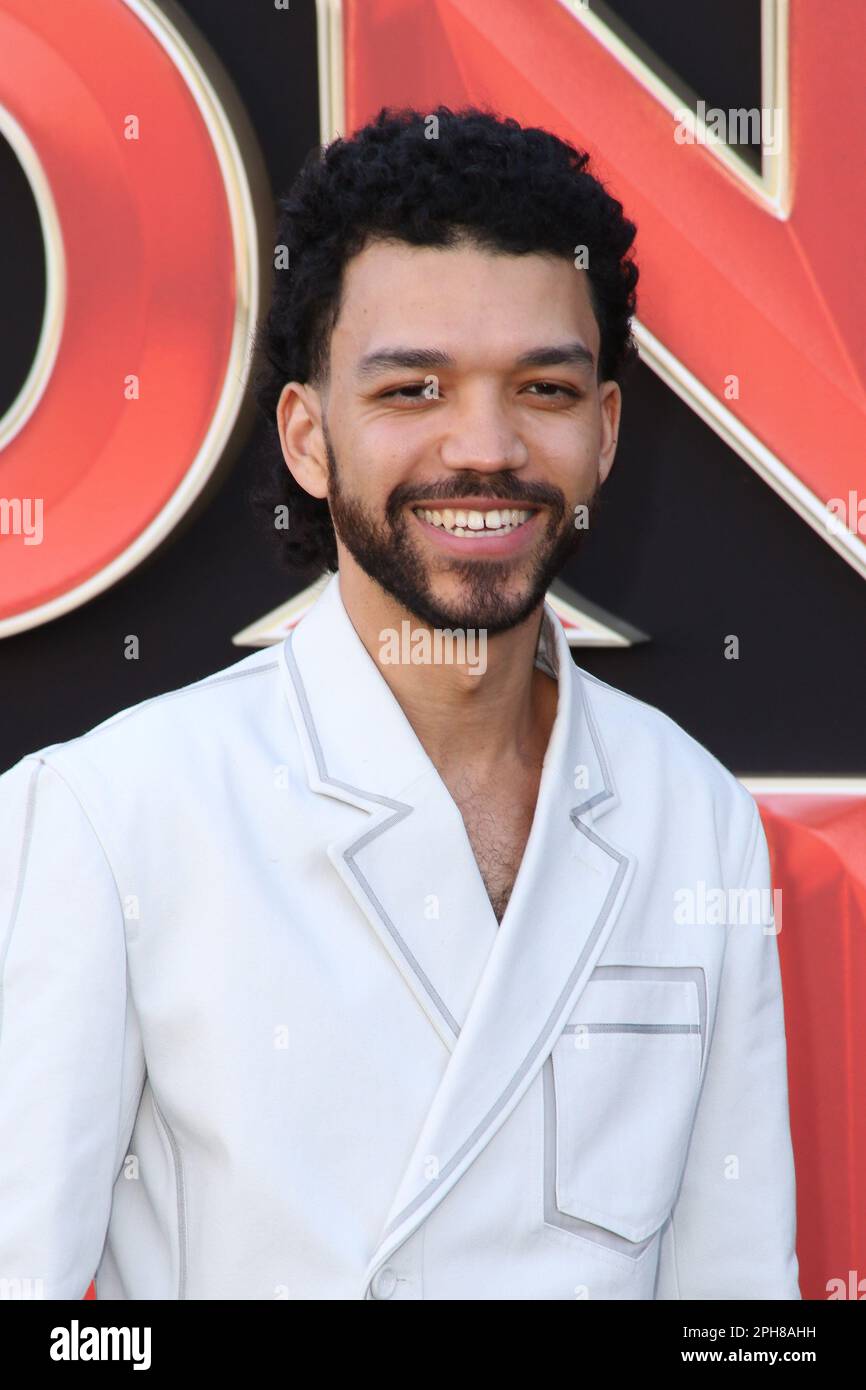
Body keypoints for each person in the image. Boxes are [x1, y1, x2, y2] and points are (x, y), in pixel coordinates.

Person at [0, 106, 799, 1300]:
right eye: (412, 389)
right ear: (308, 440)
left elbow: (736, 1306)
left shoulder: (691, 815)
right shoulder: (114, 815)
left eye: (542, 386)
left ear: (603, 434)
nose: (483, 447)